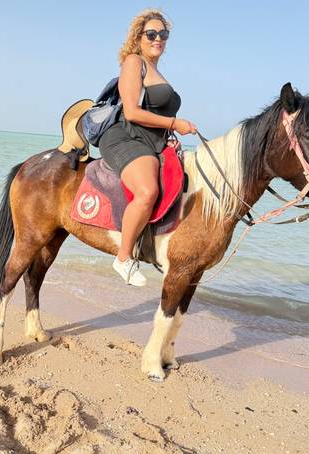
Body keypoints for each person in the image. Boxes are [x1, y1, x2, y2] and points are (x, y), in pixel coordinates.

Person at [99, 9, 197, 287]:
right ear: (138, 37)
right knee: (148, 190)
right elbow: (131, 112)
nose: (158, 39)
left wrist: (170, 130)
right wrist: (174, 122)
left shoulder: (158, 71)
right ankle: (123, 257)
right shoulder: (134, 62)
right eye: (151, 34)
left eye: (163, 34)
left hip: (154, 141)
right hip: (126, 137)